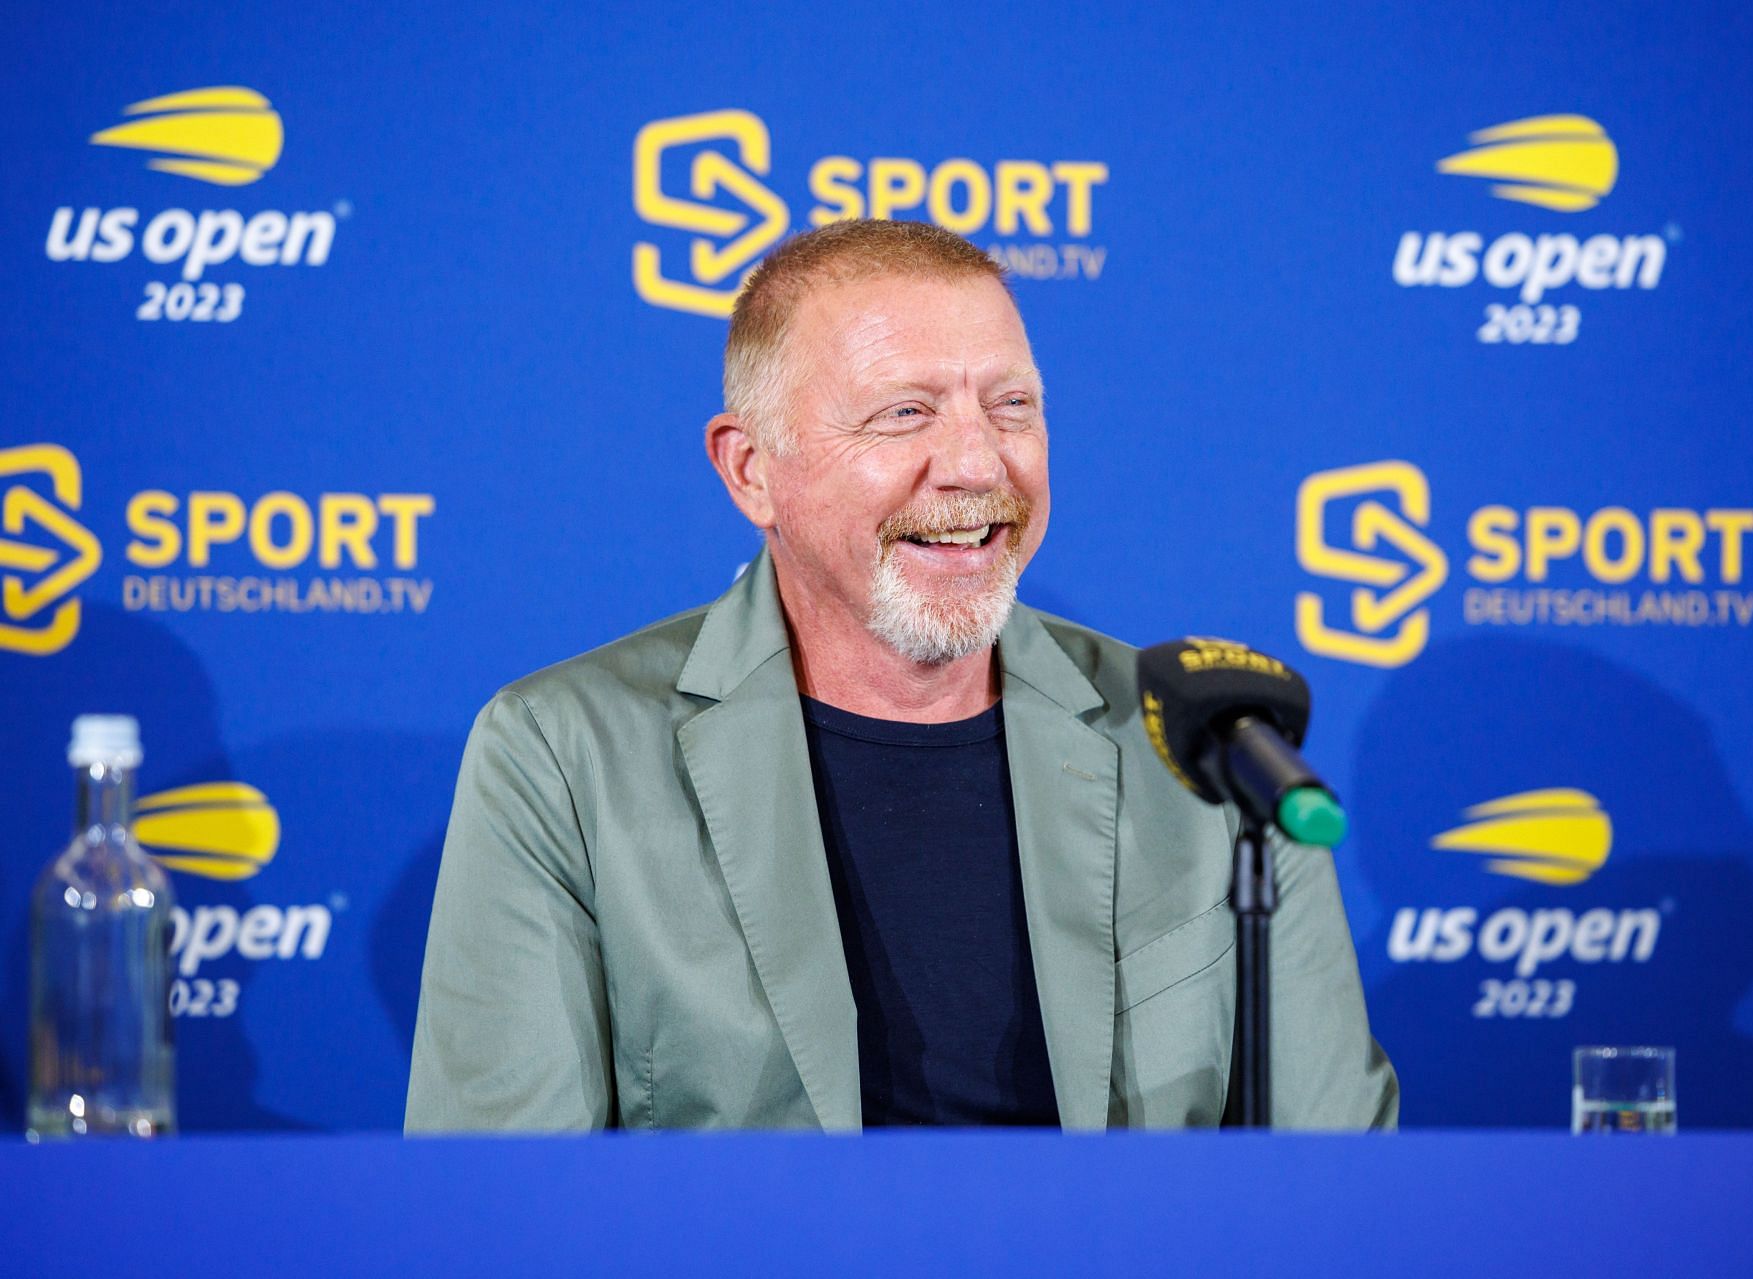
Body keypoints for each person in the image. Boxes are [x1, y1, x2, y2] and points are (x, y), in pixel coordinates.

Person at [405, 219, 1397, 1132]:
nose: (975, 463)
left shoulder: (1205, 748)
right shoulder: (565, 755)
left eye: (1011, 405)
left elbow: (1346, 1182)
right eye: (904, 413)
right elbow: (498, 1202)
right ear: (751, 469)